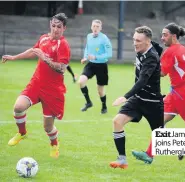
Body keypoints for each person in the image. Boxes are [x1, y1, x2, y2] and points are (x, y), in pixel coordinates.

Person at [132, 23, 185, 164]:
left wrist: (145, 66)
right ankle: (149, 155)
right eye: (162, 35)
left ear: (174, 36)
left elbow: (162, 73)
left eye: (165, 35)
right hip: (176, 92)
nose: (162, 38)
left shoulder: (170, 52)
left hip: (182, 94)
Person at [1, 13, 70, 158]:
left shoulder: (63, 45)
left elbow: (61, 68)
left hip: (52, 90)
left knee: (48, 127)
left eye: (59, 27)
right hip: (36, 84)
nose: (55, 29)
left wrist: (45, 58)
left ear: (64, 28)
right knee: (18, 107)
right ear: (50, 24)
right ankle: (22, 133)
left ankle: (54, 144)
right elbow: (33, 51)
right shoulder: (44, 38)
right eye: (53, 26)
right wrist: (14, 57)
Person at [109, 26, 164, 169]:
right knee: (117, 121)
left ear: (147, 42)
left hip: (152, 103)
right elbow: (159, 47)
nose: (134, 43)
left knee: (162, 138)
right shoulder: (145, 49)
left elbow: (142, 80)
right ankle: (122, 159)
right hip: (138, 99)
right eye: (134, 39)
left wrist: (125, 96)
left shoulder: (151, 57)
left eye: (138, 40)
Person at [77, 19, 112, 114]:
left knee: (100, 91)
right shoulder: (89, 36)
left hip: (102, 66)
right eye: (94, 26)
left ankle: (104, 107)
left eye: (97, 27)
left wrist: (96, 57)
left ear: (101, 28)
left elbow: (109, 54)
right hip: (91, 65)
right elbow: (87, 48)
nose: (95, 28)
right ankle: (88, 102)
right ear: (91, 27)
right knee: (81, 81)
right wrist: (85, 57)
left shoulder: (104, 38)